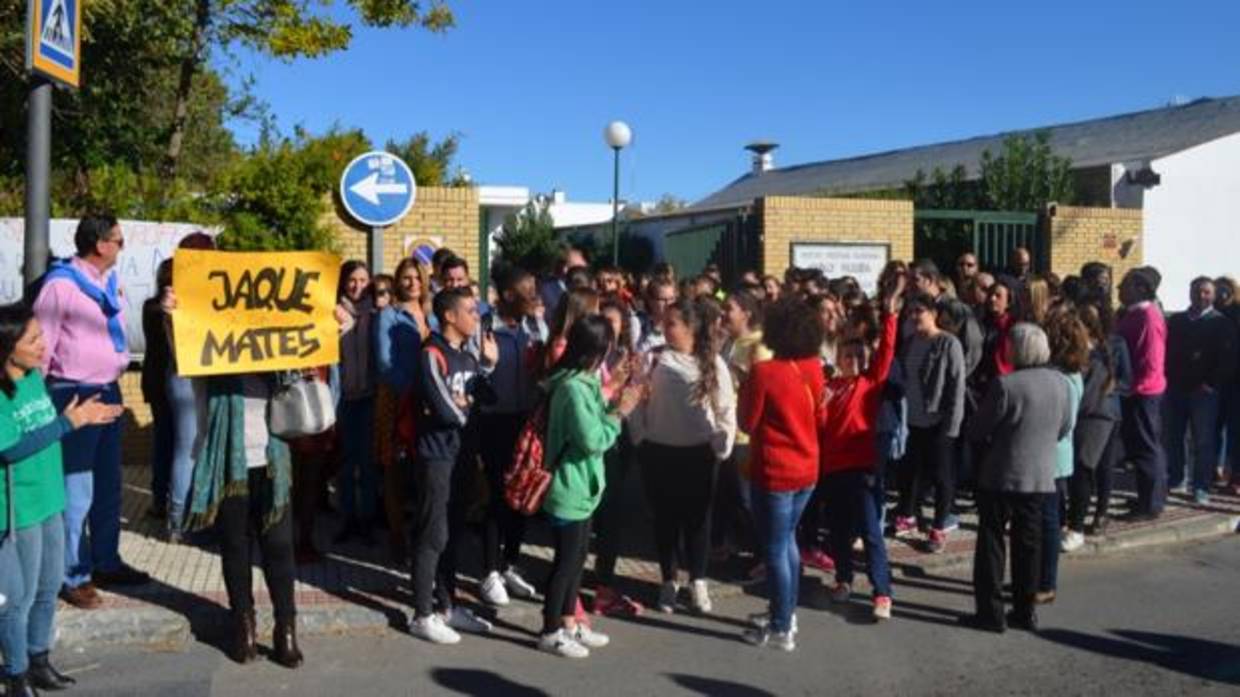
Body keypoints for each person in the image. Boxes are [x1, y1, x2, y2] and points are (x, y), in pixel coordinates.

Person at [1, 303, 123, 695]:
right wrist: (68, 422)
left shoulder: (35, 377)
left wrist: (78, 418)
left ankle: (39, 659)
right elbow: (11, 449)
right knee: (13, 599)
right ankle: (16, 673)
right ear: (7, 347)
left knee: (48, 585)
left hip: (50, 500)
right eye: (33, 339)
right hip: (16, 513)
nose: (42, 345)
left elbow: (47, 429)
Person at [32, 214, 150, 609]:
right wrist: (40, 407)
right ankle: (72, 573)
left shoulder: (106, 283)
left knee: (107, 486)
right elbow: (40, 348)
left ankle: (106, 560)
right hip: (74, 394)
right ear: (100, 244)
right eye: (118, 240)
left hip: (108, 390)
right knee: (76, 490)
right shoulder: (60, 286)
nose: (122, 246)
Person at [538, 316, 642, 658]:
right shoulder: (571, 388)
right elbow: (592, 439)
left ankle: (570, 621)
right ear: (598, 349)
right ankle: (550, 629)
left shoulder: (581, 381)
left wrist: (616, 397)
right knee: (566, 562)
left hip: (584, 486)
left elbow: (596, 422)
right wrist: (621, 412)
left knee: (579, 556)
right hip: (569, 486)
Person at [629, 298, 737, 615]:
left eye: (673, 322)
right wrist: (640, 435)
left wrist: (722, 444)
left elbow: (726, 408)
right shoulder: (653, 359)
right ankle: (668, 580)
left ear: (691, 328)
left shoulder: (712, 363)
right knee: (665, 520)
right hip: (659, 452)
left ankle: (699, 581)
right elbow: (636, 399)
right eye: (664, 321)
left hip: (699, 454)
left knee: (698, 521)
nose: (664, 326)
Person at [963, 323, 1072, 633]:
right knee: (1028, 545)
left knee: (992, 544)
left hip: (1001, 474)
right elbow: (1064, 428)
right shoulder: (1060, 384)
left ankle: (991, 612)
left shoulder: (1006, 385)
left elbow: (978, 429)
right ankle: (1026, 610)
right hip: (1039, 475)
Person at [408, 288, 498, 645]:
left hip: (462, 456)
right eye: (470, 311)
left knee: (454, 533)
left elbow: (487, 399)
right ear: (449, 316)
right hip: (437, 457)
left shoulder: (468, 355)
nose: (476, 317)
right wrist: (466, 403)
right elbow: (450, 411)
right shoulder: (431, 353)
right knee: (433, 534)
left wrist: (487, 368)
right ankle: (421, 614)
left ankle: (448, 605)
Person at [737, 297, 825, 650]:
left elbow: (747, 421)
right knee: (787, 541)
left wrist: (745, 385)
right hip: (808, 467)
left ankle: (780, 625)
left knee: (775, 547)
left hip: (774, 470)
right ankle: (784, 611)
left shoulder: (764, 372)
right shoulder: (814, 367)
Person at [818, 277, 903, 621]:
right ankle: (843, 577)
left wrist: (891, 314)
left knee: (870, 532)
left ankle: (882, 591)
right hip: (834, 468)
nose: (853, 359)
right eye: (847, 355)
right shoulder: (829, 386)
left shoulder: (870, 384)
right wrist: (820, 403)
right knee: (838, 531)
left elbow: (886, 353)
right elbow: (819, 424)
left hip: (862, 468)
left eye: (858, 355)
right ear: (838, 358)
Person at [476, 267, 545, 607]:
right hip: (493, 423)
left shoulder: (533, 327)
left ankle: (510, 564)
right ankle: (489, 571)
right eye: (527, 292)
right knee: (499, 497)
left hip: (525, 421)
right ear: (506, 296)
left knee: (523, 496)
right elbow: (473, 377)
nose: (535, 298)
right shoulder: (485, 328)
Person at [891, 293, 966, 553]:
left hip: (937, 420)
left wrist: (951, 426)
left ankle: (938, 526)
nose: (914, 317)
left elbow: (957, 387)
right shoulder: (910, 342)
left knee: (941, 475)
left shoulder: (948, 343)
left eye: (919, 311)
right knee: (910, 472)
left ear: (934, 313)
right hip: (910, 421)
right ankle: (908, 513)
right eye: (910, 312)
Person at [374, 257, 432, 562]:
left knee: (423, 470)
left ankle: (421, 535)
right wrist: (408, 391)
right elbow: (384, 362)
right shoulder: (389, 315)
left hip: (428, 400)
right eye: (406, 278)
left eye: (416, 277)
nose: (412, 283)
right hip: (397, 398)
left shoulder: (431, 315)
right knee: (394, 469)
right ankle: (397, 536)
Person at [1163, 277, 1237, 504]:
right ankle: (1177, 478)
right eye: (1197, 291)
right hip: (1176, 389)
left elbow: (1228, 358)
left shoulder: (1221, 323)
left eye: (1206, 292)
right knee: (1175, 437)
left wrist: (1211, 383)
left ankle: (1201, 486)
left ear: (1212, 296)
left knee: (1203, 441)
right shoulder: (1176, 321)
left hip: (1204, 392)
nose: (1201, 296)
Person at [1063, 303, 1126, 549]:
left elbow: (1125, 379)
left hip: (1100, 415)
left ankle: (1080, 524)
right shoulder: (1073, 350)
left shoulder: (1106, 351)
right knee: (1081, 470)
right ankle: (1074, 519)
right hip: (1084, 413)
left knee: (1089, 467)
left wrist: (1110, 391)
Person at [715, 293, 771, 561]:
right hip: (724, 429)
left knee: (747, 499)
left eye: (729, 309)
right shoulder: (730, 341)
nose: (723, 313)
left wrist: (740, 375)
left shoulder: (759, 346)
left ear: (746, 314)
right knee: (728, 496)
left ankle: (763, 556)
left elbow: (764, 388)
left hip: (745, 435)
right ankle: (734, 544)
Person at [1038, 309, 1087, 603]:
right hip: (1054, 457)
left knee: (1049, 523)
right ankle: (1038, 578)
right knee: (1047, 520)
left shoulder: (1065, 378)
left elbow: (1064, 422)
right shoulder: (1067, 374)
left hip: (1053, 458)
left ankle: (1046, 583)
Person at [1116, 267, 1168, 521]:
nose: (1118, 289)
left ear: (1140, 288)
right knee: (1139, 448)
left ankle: (1151, 504)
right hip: (1133, 390)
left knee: (1147, 447)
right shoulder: (1133, 314)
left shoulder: (1149, 316)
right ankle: (1145, 497)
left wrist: (1135, 389)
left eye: (1124, 284)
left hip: (1144, 393)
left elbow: (1152, 359)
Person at [334, 260, 378, 544]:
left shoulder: (376, 312)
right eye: (352, 280)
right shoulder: (333, 312)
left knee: (369, 462)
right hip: (344, 399)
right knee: (346, 463)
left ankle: (369, 521)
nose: (357, 285)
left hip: (371, 397)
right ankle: (347, 518)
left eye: (363, 280)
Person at [142, 260, 175, 524]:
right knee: (170, 441)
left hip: (155, 381)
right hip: (165, 380)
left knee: (164, 440)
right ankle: (164, 500)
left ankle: (159, 499)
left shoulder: (149, 306)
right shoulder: (158, 309)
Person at [636, 278, 677, 356]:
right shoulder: (638, 321)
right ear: (650, 300)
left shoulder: (680, 325)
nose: (668, 304)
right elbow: (636, 354)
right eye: (662, 299)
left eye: (671, 299)